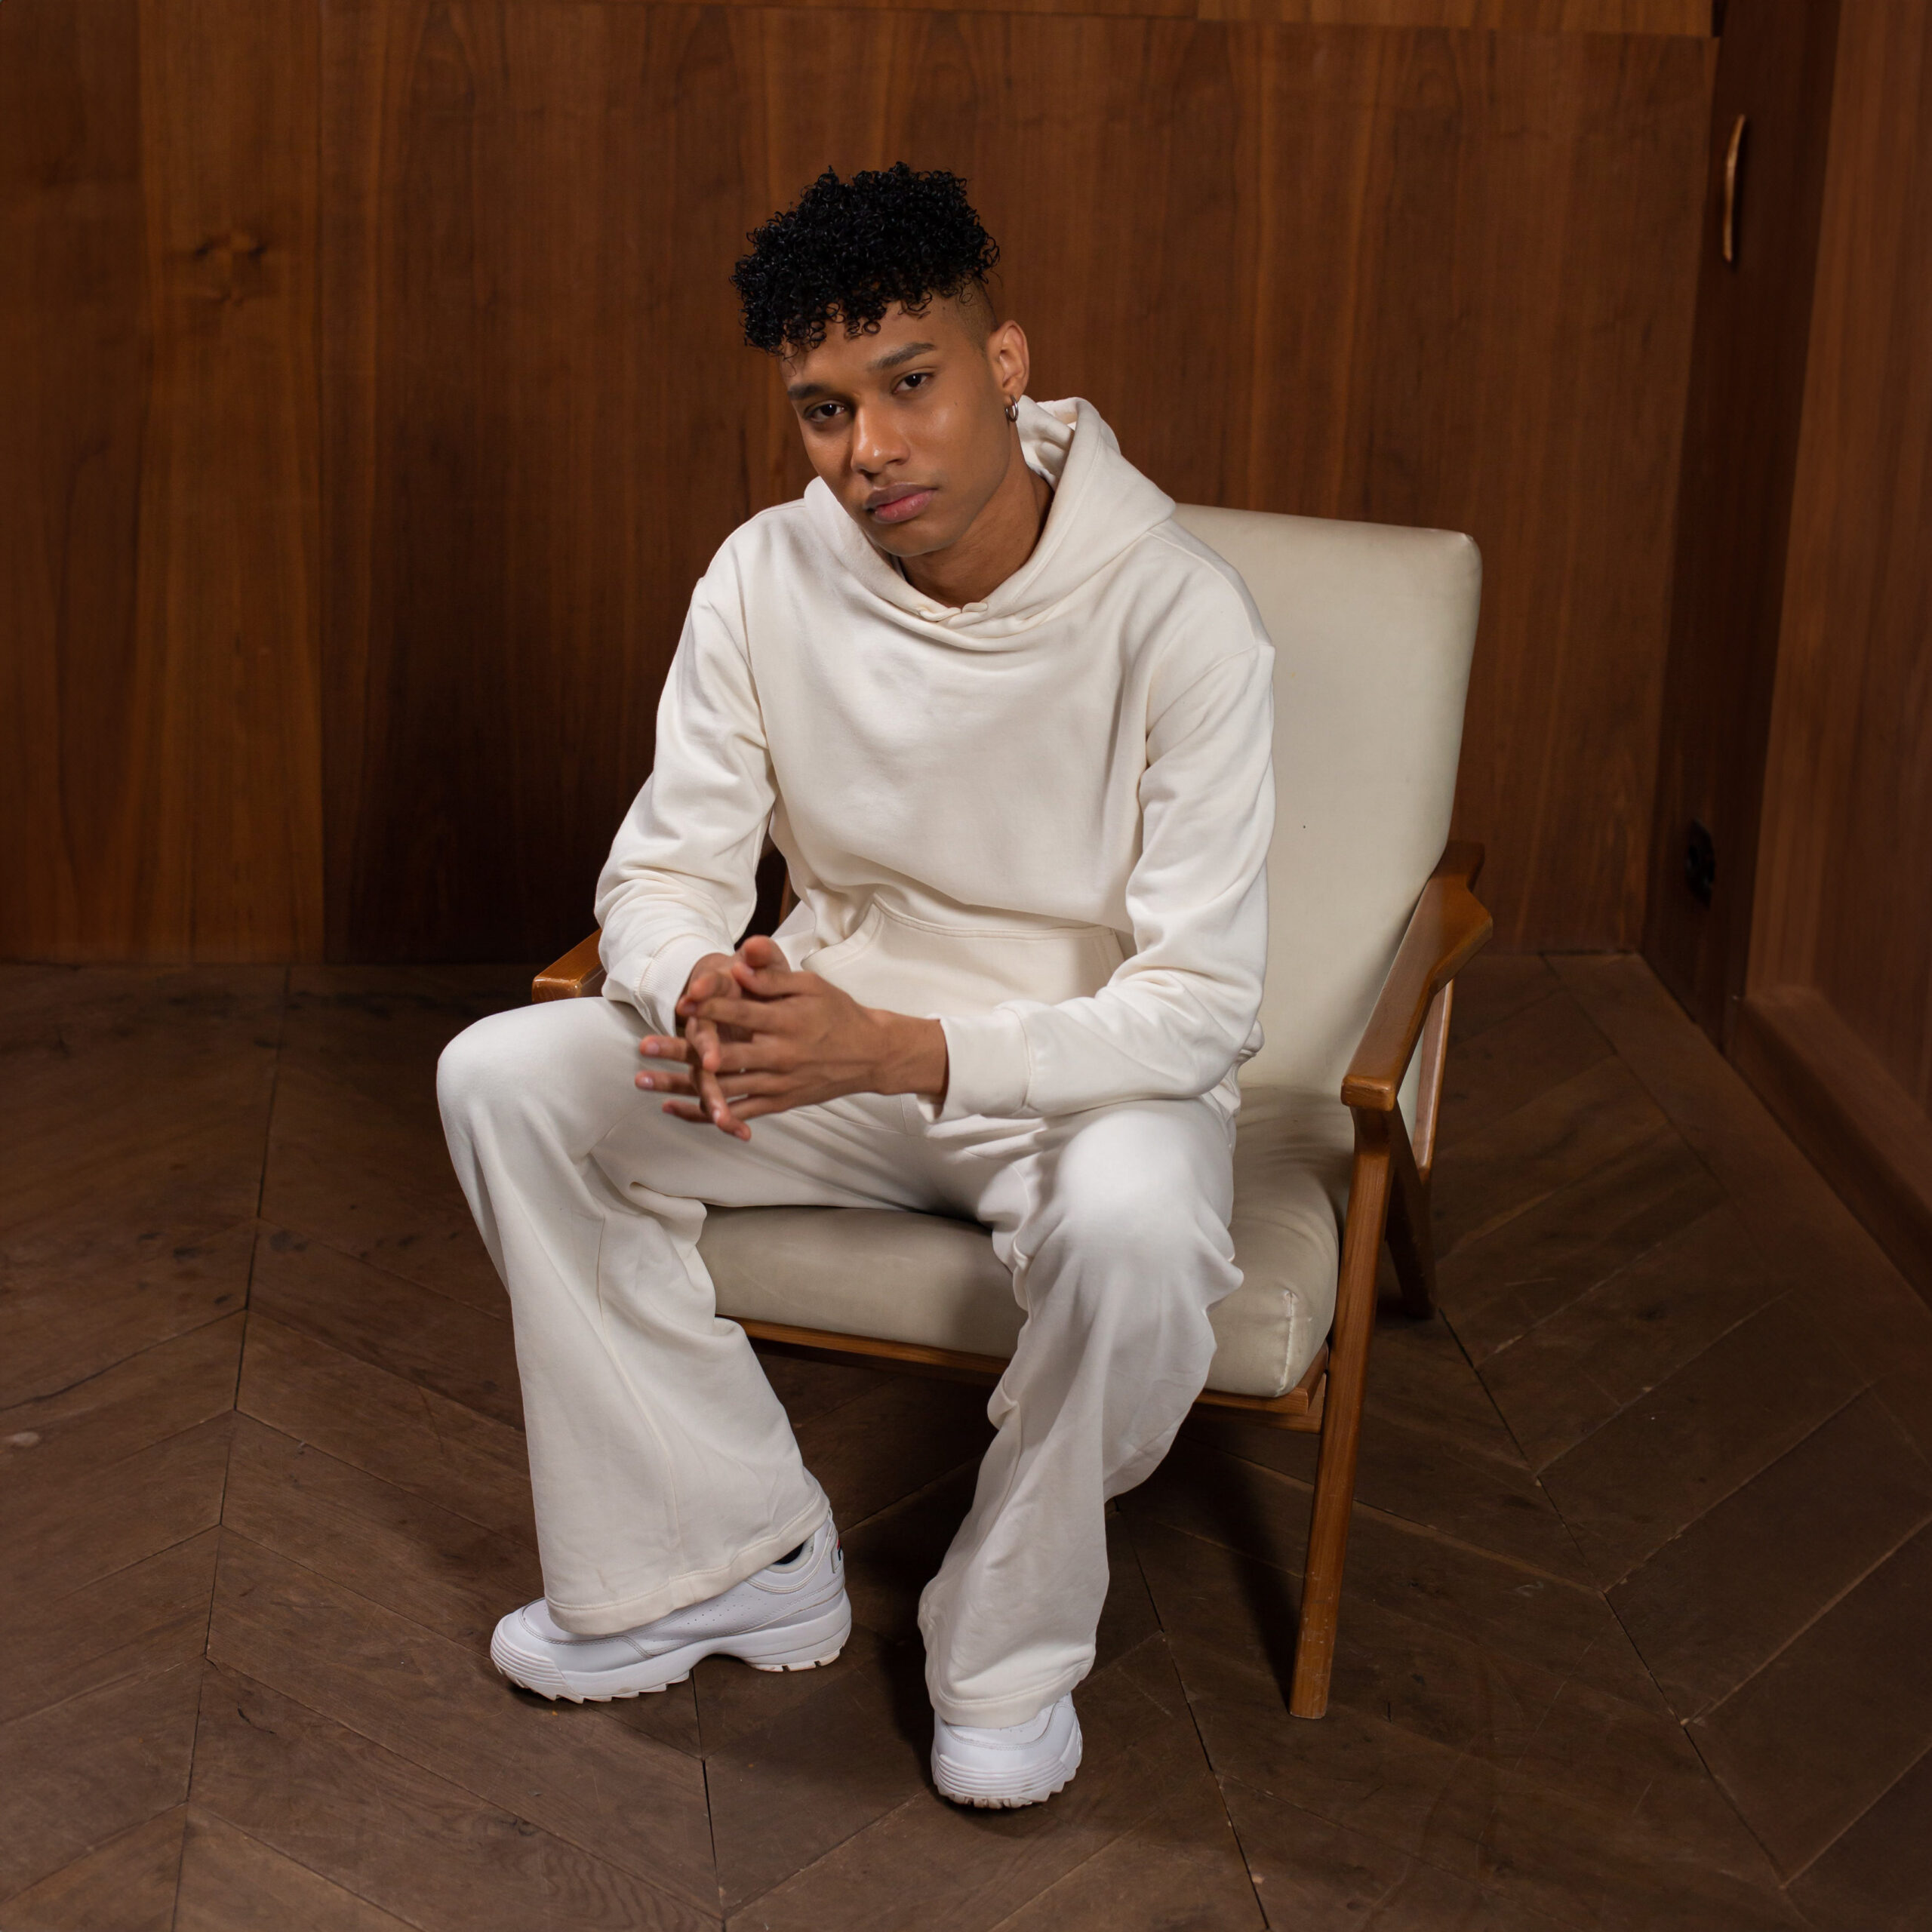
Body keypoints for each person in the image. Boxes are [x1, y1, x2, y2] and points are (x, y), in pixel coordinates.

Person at [437, 163, 1274, 1810]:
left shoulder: (1183, 615)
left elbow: (1201, 1006)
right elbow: (659, 876)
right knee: (502, 1080)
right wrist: (701, 983)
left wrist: (894, 1046)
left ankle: (1004, 1640)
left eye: (910, 385)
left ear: (1006, 366)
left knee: (1139, 1234)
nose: (868, 448)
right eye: (825, 411)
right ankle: (727, 1555)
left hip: (1078, 1087)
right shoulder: (765, 573)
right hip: (819, 1056)